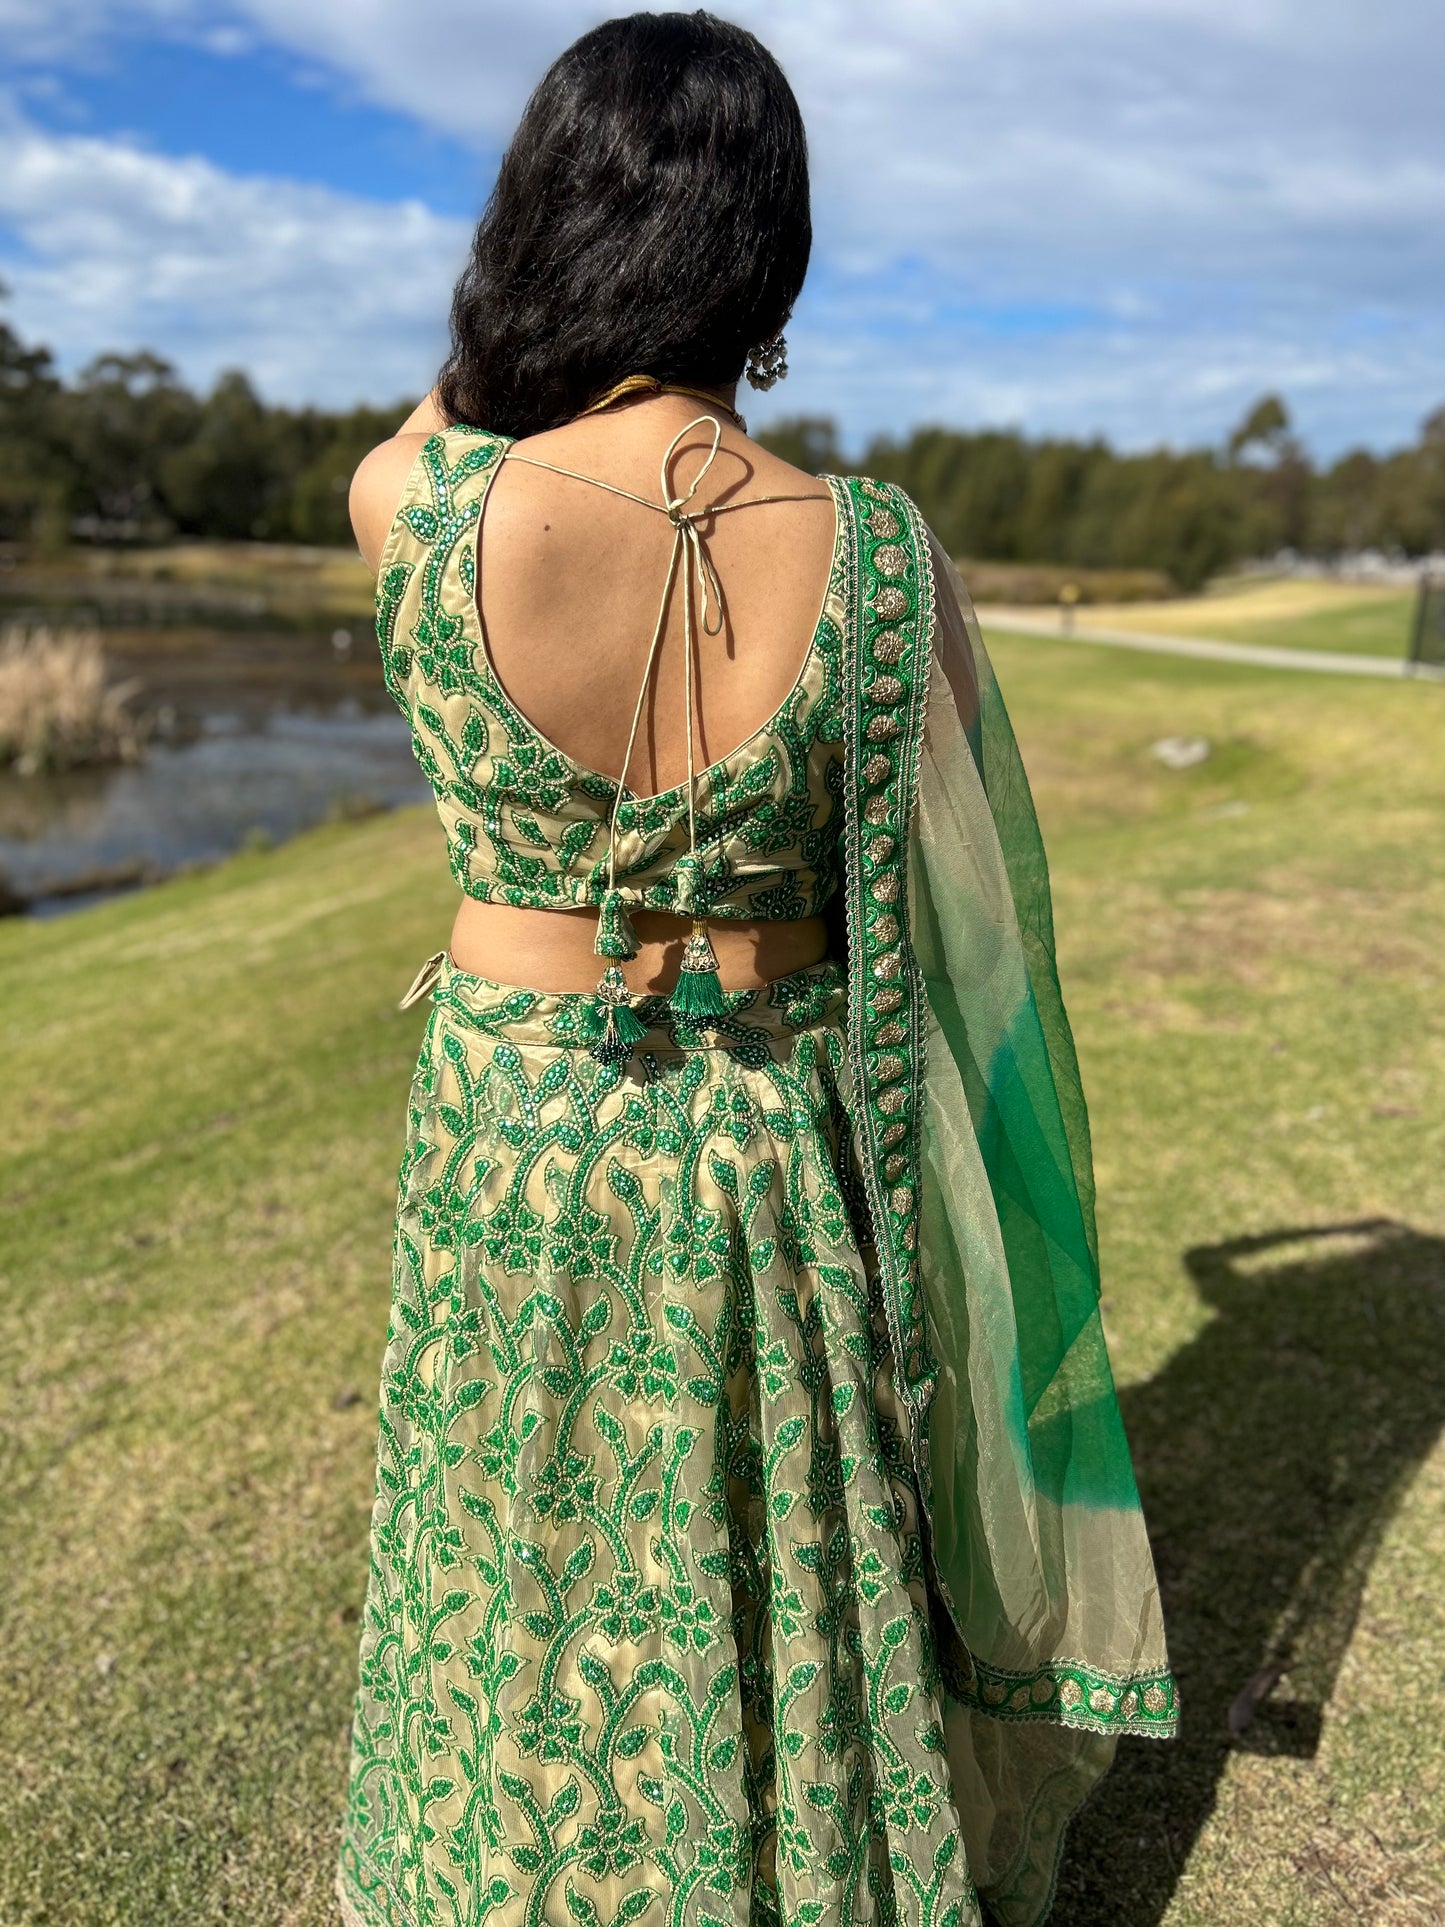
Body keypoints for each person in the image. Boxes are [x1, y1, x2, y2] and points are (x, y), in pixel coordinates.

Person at [338, 15, 1175, 1927]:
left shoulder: (422, 507)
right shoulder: (886, 557)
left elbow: (423, 422)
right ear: (770, 260)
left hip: (516, 1126)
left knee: (519, 1525)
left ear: (543, 219)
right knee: (770, 1526)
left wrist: (503, 331)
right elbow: (943, 885)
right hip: (775, 1113)